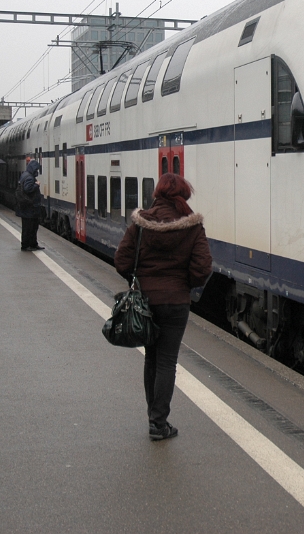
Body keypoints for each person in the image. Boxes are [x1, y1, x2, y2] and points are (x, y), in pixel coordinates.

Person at [113, 173, 212, 441]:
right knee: (167, 361)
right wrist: (184, 284)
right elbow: (203, 267)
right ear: (183, 195)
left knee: (152, 359)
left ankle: (153, 418)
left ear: (158, 193)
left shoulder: (141, 224)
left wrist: (138, 280)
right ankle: (159, 423)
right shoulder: (192, 226)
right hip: (177, 302)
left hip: (146, 302)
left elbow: (121, 260)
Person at [16, 160, 44, 251]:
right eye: (36, 169)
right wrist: (37, 185)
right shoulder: (29, 177)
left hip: (28, 207)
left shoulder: (25, 175)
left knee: (32, 227)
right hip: (30, 207)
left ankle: (32, 244)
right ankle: (26, 245)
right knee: (29, 228)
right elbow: (28, 189)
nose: (37, 172)